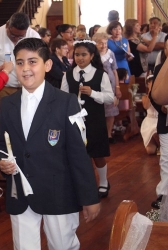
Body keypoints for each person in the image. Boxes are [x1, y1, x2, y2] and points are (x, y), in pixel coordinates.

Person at [0, 38, 100, 250]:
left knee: (62, 245)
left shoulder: (66, 102)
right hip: (20, 191)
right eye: (20, 62)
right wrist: (2, 161)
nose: (26, 69)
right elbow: (2, 144)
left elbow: (78, 153)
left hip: (58, 191)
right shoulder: (8, 104)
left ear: (48, 65)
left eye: (33, 62)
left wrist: (90, 197)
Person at [61, 40, 114, 198]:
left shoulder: (100, 74)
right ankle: (83, 184)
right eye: (77, 54)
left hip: (94, 119)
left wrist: (93, 93)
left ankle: (103, 181)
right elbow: (62, 97)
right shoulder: (69, 75)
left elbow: (110, 98)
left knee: (97, 152)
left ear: (91, 56)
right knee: (78, 154)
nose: (80, 58)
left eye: (84, 54)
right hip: (74, 120)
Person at [0, 12, 40, 102]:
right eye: (13, 35)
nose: (16, 39)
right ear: (7, 25)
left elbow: (39, 63)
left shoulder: (34, 37)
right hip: (3, 89)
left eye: (21, 37)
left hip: (29, 88)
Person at [150, 32, 168, 209]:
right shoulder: (160, 68)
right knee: (167, 157)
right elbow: (154, 93)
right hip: (166, 119)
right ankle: (164, 194)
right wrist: (161, 105)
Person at [92, 32, 121, 143]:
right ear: (95, 44)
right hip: (98, 86)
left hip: (111, 86)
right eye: (100, 43)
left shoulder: (111, 53)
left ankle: (108, 135)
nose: (103, 46)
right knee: (99, 111)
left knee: (111, 111)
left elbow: (115, 71)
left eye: (105, 43)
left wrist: (117, 87)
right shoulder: (92, 55)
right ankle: (99, 135)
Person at [141, 75, 159, 155]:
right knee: (150, 151)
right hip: (149, 121)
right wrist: (150, 91)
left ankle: (162, 147)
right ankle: (158, 146)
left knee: (155, 130)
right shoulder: (145, 97)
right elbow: (146, 106)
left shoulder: (161, 95)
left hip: (158, 121)